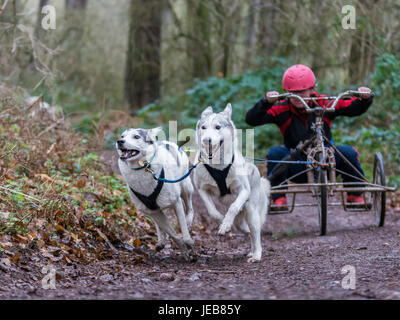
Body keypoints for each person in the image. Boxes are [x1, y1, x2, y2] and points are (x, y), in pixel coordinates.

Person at [245, 64, 373, 210]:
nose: (298, 96)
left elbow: (351, 107)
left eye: (302, 91)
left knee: (349, 153)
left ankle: (354, 195)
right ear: (286, 92)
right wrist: (265, 102)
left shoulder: (323, 102)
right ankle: (278, 198)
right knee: (275, 153)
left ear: (312, 89)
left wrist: (364, 99)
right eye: (293, 92)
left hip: (327, 160)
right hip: (296, 163)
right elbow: (251, 119)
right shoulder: (281, 107)